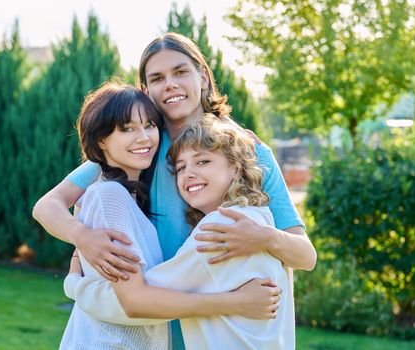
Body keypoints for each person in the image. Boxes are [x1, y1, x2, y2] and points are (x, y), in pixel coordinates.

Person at [33, 32, 316, 349]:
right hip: (151, 325)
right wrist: (83, 238)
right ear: (146, 90)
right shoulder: (142, 148)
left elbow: (305, 256)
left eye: (181, 72)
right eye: (157, 78)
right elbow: (48, 206)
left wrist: (264, 237)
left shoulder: (246, 151)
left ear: (203, 76)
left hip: (218, 331)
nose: (169, 84)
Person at [59, 81, 282, 350]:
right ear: (101, 140)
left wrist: (76, 284)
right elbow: (136, 302)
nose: (143, 137)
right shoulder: (109, 197)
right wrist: (235, 302)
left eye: (150, 125)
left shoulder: (129, 201)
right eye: (128, 128)